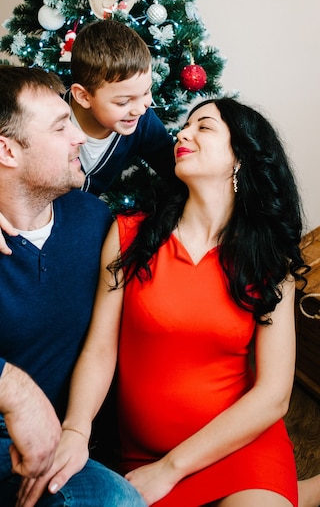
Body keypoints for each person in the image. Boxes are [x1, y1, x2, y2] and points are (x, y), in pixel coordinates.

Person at [21, 97, 310, 507]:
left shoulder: (269, 259)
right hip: (143, 456)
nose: (183, 133)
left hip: (240, 450)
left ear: (240, 158)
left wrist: (172, 468)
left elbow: (273, 395)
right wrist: (75, 431)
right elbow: (101, 350)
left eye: (204, 127)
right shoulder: (129, 235)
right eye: (185, 126)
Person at [0, 65, 146, 507]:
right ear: (6, 151)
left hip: (40, 454)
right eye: (60, 127)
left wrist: (73, 427)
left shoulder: (93, 221)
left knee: (119, 501)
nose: (79, 137)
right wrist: (15, 392)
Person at [0, 19, 176, 254]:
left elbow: (175, 168)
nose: (141, 108)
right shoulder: (49, 112)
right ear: (83, 96)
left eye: (146, 92)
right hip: (30, 227)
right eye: (123, 101)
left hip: (77, 229)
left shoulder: (142, 123)